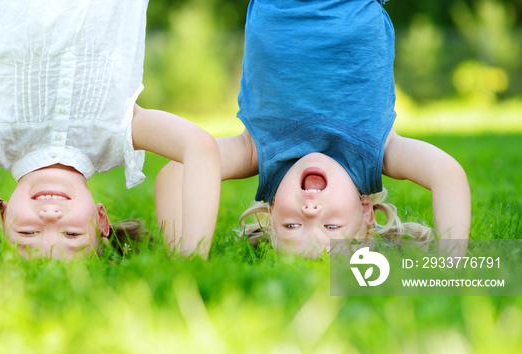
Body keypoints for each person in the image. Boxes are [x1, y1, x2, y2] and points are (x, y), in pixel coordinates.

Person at [0, 0, 221, 269]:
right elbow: (200, 146)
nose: (50, 220)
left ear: (5, 214)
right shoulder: (118, 130)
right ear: (101, 218)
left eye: (27, 234)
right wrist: (188, 267)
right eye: (72, 234)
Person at [155, 0, 470, 257]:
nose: (310, 211)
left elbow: (175, 174)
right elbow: (447, 174)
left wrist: (185, 260)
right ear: (366, 212)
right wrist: (452, 265)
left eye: (291, 226)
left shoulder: (256, 153)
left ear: (273, 208)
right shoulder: (378, 153)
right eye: (331, 227)